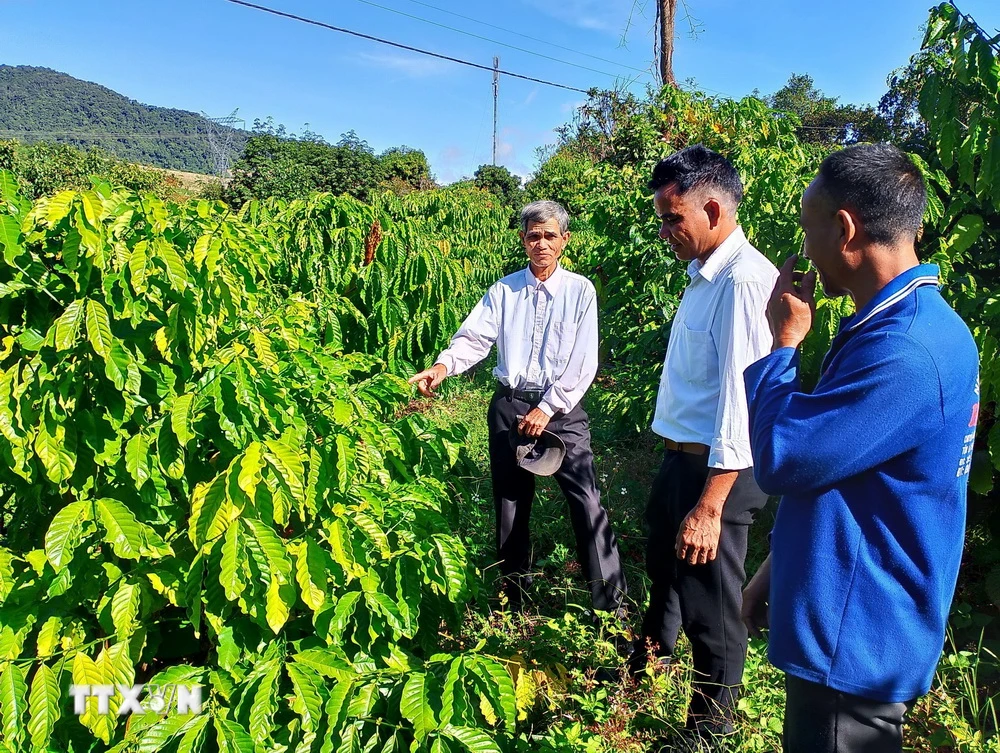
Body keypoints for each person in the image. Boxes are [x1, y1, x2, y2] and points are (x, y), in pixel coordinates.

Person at [741, 143, 980, 753]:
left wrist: (783, 347)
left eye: (806, 229)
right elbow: (848, 476)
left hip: (855, 643)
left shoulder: (904, 351)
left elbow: (785, 459)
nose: (803, 249)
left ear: (845, 229)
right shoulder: (904, 325)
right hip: (854, 623)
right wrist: (775, 575)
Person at [409, 200, 627, 614]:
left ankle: (611, 610)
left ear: (564, 240)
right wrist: (441, 367)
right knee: (510, 502)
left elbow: (583, 362)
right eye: (532, 236)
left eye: (549, 235)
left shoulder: (580, 290)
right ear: (523, 241)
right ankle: (513, 602)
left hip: (561, 411)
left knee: (587, 502)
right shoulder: (504, 290)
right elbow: (474, 337)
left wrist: (549, 407)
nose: (540, 243)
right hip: (510, 405)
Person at [631, 144, 777, 737]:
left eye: (673, 218)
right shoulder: (705, 277)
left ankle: (709, 731)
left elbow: (741, 401)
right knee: (665, 579)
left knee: (711, 609)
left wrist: (710, 505)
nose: (666, 230)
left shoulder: (742, 282)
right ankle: (641, 674)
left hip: (719, 473)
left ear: (713, 210)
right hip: (684, 460)